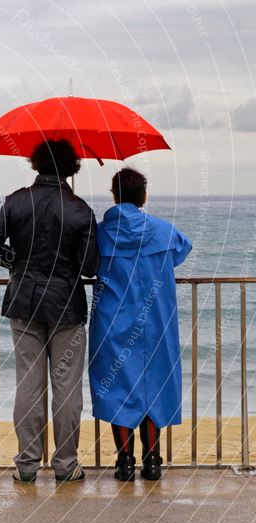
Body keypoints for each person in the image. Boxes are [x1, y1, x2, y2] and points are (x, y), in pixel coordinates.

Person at [0, 139, 99, 483]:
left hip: (24, 302)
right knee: (67, 388)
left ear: (35, 164)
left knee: (29, 385)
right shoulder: (80, 210)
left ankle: (27, 465)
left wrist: (15, 264)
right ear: (71, 168)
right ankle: (66, 466)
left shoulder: (15, 202)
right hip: (67, 305)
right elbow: (90, 267)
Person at [88, 168, 192, 482]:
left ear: (114, 196)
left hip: (112, 321)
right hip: (156, 321)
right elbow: (181, 250)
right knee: (154, 387)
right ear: (143, 196)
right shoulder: (163, 231)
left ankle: (124, 463)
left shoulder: (100, 233)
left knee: (117, 387)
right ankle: (153, 462)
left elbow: (86, 262)